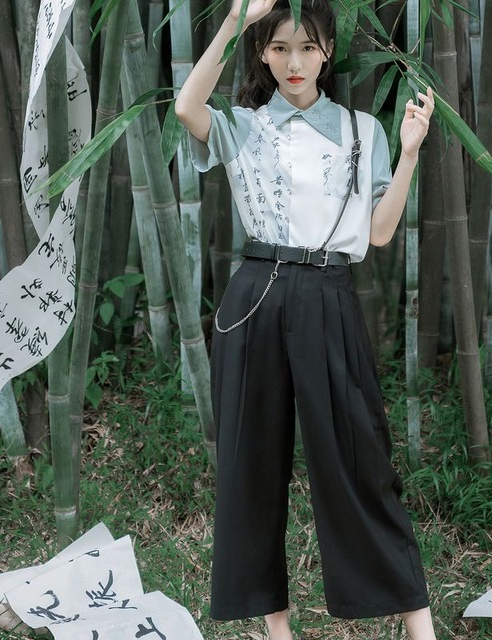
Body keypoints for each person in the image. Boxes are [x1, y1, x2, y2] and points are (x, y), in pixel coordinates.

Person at [175, 1, 436, 638]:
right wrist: (237, 18)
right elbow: (186, 106)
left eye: (308, 48)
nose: (295, 62)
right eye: (280, 48)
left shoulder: (361, 130)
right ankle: (277, 629)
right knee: (251, 460)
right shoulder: (242, 125)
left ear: (328, 53)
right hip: (255, 293)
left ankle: (418, 622)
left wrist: (408, 154)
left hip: (327, 294)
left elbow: (378, 233)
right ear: (262, 54)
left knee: (360, 457)